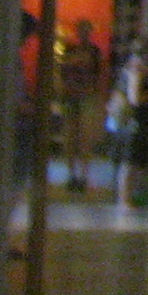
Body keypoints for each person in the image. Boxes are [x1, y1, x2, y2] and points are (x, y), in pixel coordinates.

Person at [58, 22, 109, 193]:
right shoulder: (70, 49)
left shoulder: (94, 52)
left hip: (87, 96)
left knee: (85, 138)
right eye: (81, 31)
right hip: (71, 97)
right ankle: (71, 175)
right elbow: (63, 72)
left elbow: (99, 74)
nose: (83, 34)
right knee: (70, 137)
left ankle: (84, 175)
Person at [115, 42, 148, 206]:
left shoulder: (128, 68)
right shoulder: (137, 71)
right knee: (131, 162)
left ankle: (126, 198)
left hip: (130, 122)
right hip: (137, 121)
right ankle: (125, 199)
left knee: (132, 162)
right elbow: (134, 98)